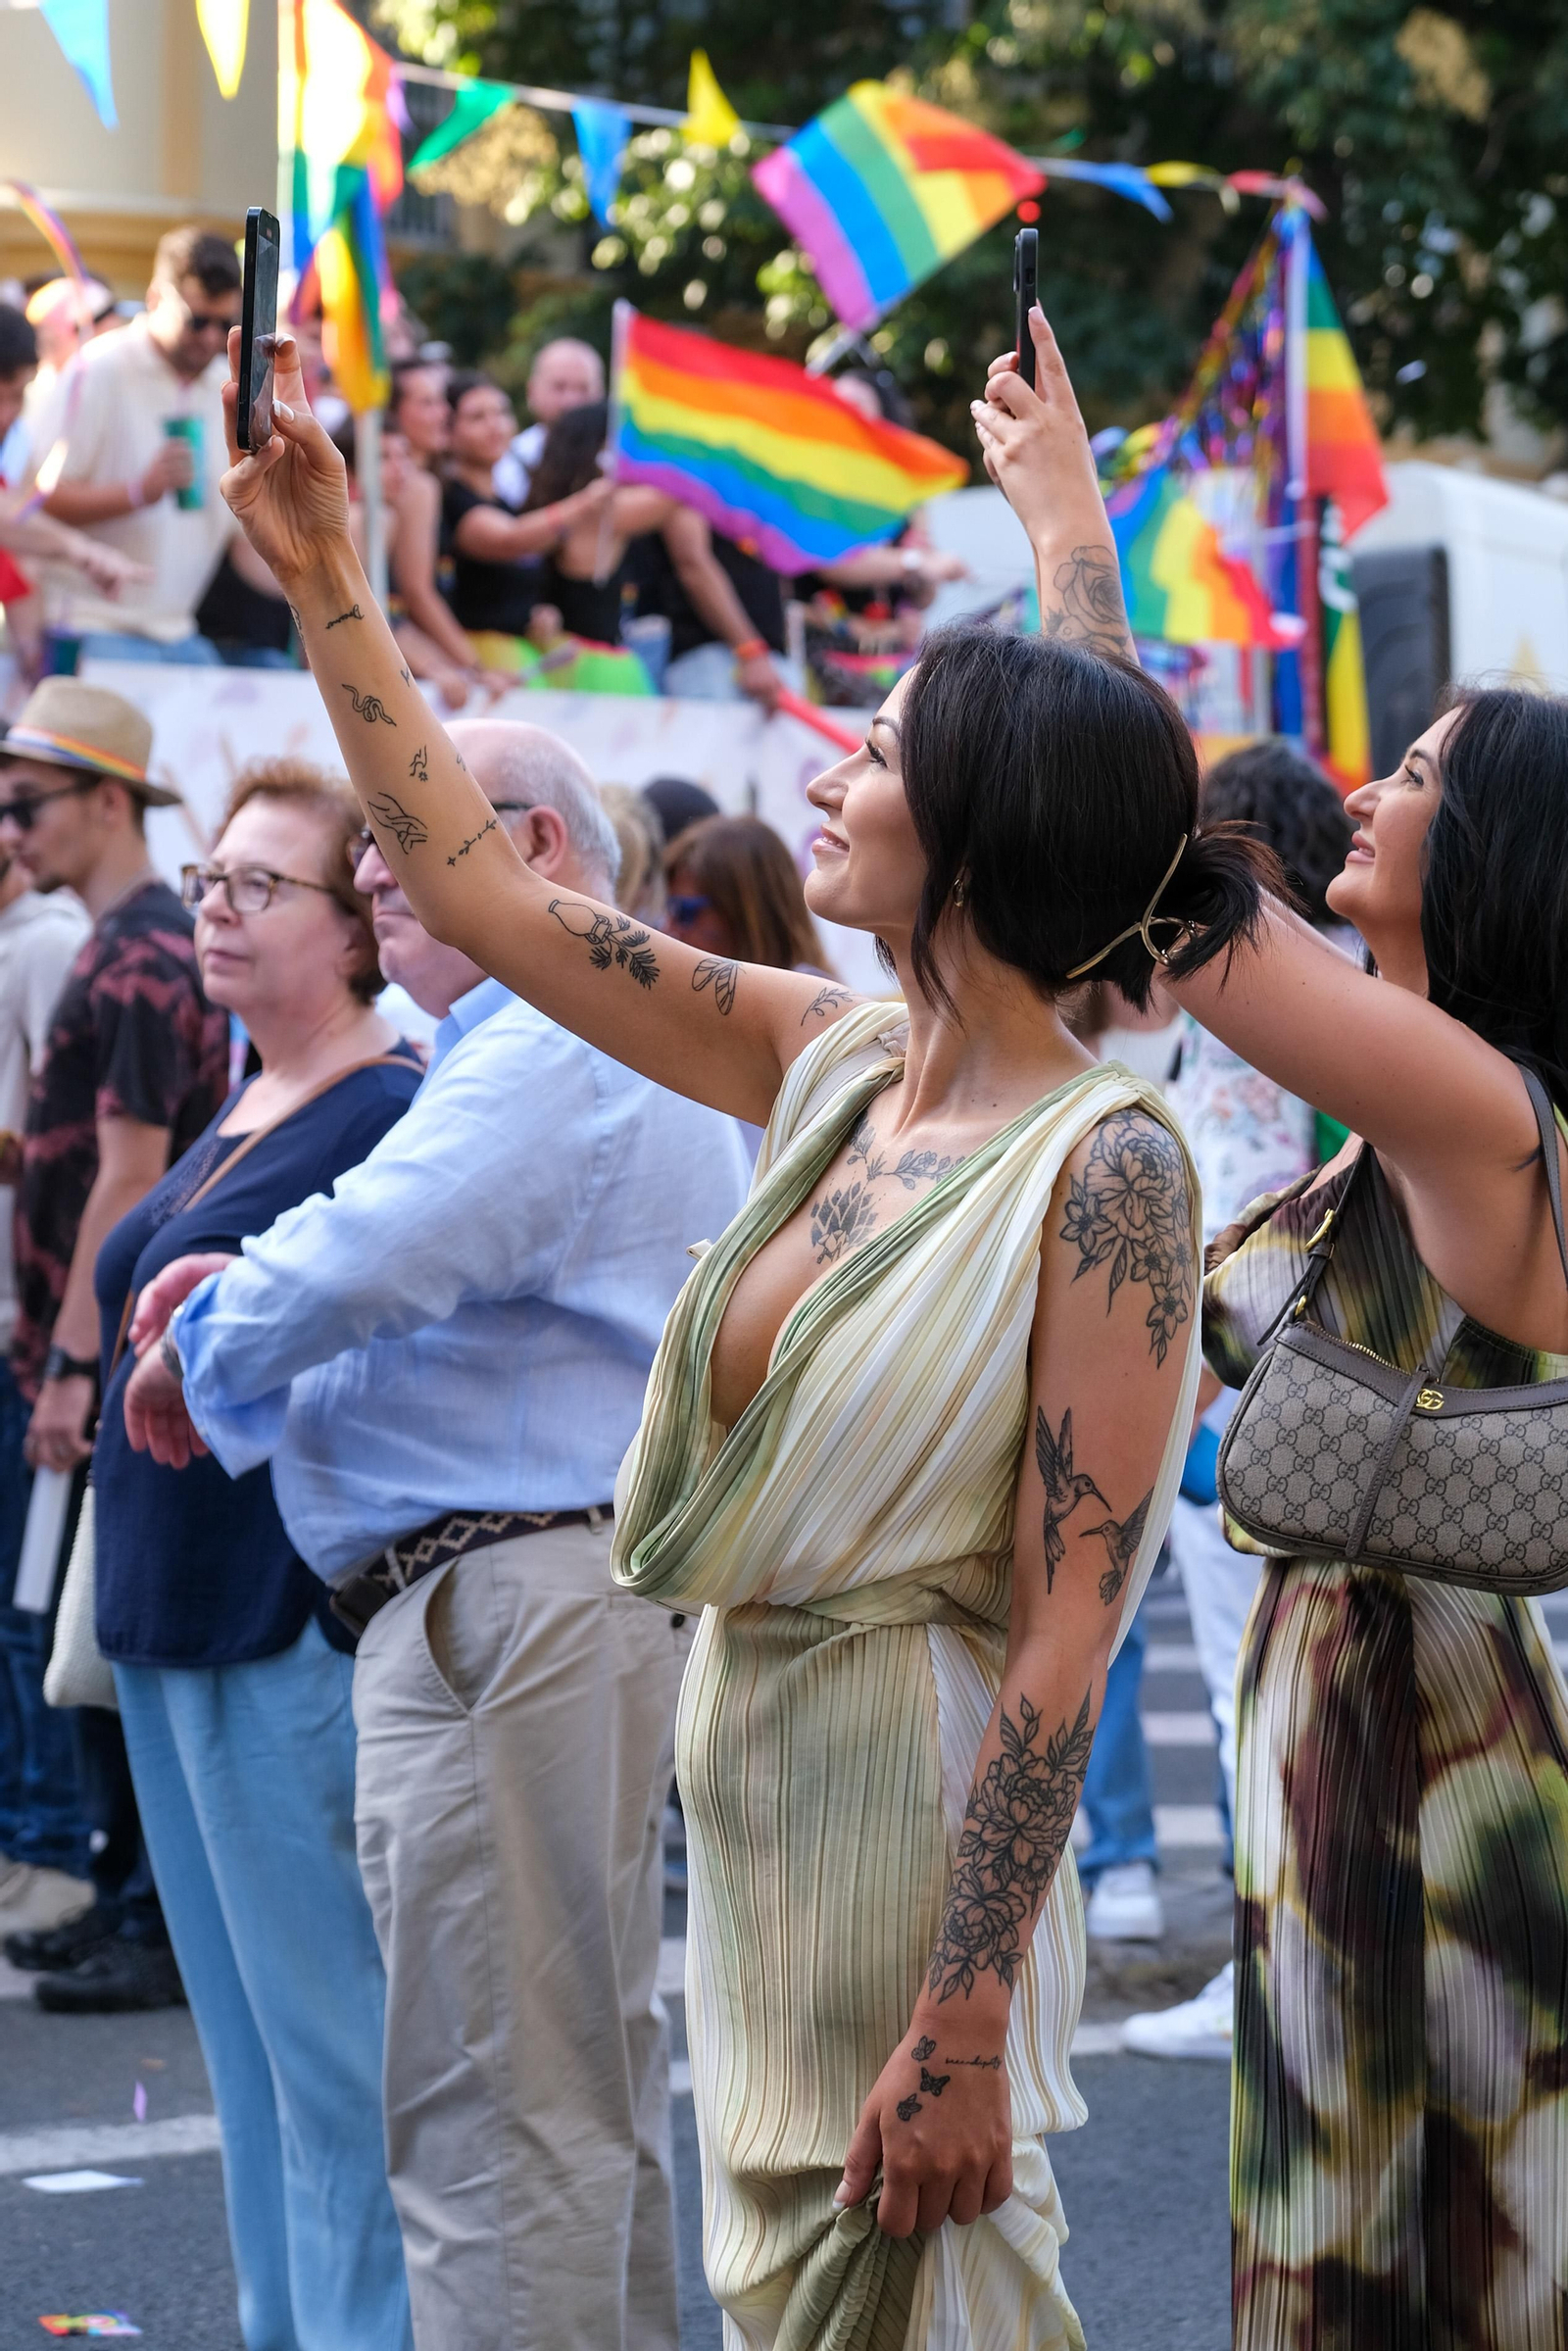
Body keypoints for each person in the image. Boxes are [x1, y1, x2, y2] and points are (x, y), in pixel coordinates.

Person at [208, 329, 1270, 2346]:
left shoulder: (1102, 1164)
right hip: (761, 1792)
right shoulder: (826, 1060)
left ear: (972, 823)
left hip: (917, 1816)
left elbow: (1068, 1625)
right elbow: (481, 892)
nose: (818, 773)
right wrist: (329, 576)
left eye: (867, 748)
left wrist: (961, 2013)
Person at [980, 301, 1568, 2351]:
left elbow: (1152, 869)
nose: (1357, 791)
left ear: (1480, 860)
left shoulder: (1482, 1113)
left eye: (1405, 773)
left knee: (1396, 2267)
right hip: (1339, 1716)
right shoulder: (1409, 1089)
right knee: (1348, 2246)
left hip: (1424, 1755)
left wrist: (1074, 536)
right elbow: (1159, 891)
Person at [123, 717, 752, 2351]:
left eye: (400, 831)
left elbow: (373, 1249)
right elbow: (389, 1255)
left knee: (492, 2105)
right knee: (556, 2088)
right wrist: (244, 1310)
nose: (372, 868)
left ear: (536, 849)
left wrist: (207, 1347)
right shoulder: (549, 1024)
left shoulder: (555, 1024)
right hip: (527, 1581)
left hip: (502, 1589)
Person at [98, 760, 419, 2349]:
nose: (213, 903)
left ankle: (358, 2328)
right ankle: (283, 2322)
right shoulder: (254, 1086)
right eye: (209, 874)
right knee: (243, 2042)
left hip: (272, 1611)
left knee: (325, 2041)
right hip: (169, 1611)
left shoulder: (389, 1102)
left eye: (256, 884)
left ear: (357, 926)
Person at [1123, 738, 1355, 2056]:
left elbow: (1257, 1191)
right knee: (1317, 1691)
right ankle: (1318, 1960)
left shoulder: (1238, 988)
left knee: (1245, 1688)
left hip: (1240, 1368)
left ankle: (1275, 1973)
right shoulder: (1357, 979)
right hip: (1332, 1367)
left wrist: (1202, 1379)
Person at [0, 677, 228, 2010]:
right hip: (96, 1340)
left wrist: (73, 1361)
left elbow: (125, 1176)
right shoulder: (123, 940)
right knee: (85, 1629)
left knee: (97, 1632)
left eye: (27, 804)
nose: (12, 832)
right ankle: (127, 1895)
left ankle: (144, 1909)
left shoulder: (140, 953)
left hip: (106, 1348)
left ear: (105, 797)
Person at [25, 226, 265, 663]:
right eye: (197, 321)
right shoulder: (97, 370)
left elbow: (241, 539)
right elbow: (34, 500)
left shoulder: (225, 384)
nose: (212, 338)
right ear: (155, 298)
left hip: (177, 633)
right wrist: (137, 492)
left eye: (224, 323)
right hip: (90, 625)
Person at [0, 821, 91, 1940]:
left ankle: (51, 1841)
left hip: (33, 1324)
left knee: (30, 1606)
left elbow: (58, 1151)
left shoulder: (50, 941)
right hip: (28, 1324)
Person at [386, 358, 484, 690]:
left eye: (442, 401)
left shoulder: (425, 481)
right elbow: (416, 593)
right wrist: (474, 668)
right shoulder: (415, 485)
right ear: (394, 413)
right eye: (427, 403)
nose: (444, 413)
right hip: (404, 658)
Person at [491, 334, 604, 508]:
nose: (571, 402)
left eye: (583, 388)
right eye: (559, 387)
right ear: (531, 392)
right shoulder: (506, 464)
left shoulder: (623, 461)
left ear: (601, 394)